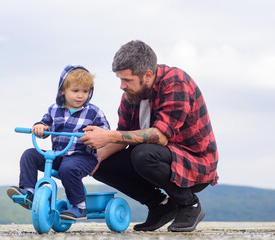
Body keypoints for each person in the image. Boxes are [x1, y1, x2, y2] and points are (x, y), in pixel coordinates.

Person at [80, 40, 219, 232]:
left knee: (143, 154)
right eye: (120, 79)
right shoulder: (130, 96)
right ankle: (160, 206)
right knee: (98, 163)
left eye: (127, 80)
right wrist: (94, 158)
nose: (122, 86)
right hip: (159, 158)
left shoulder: (176, 82)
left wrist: (109, 135)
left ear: (147, 75)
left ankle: (190, 205)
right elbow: (121, 139)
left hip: (194, 163)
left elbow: (160, 137)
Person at [7, 65, 110, 220]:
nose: (81, 95)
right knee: (29, 155)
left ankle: (80, 206)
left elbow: (105, 132)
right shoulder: (54, 109)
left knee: (67, 169)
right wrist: (39, 127)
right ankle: (29, 192)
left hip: (82, 157)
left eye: (85, 91)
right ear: (63, 90)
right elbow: (44, 125)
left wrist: (94, 135)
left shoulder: (94, 112)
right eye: (75, 91)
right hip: (58, 155)